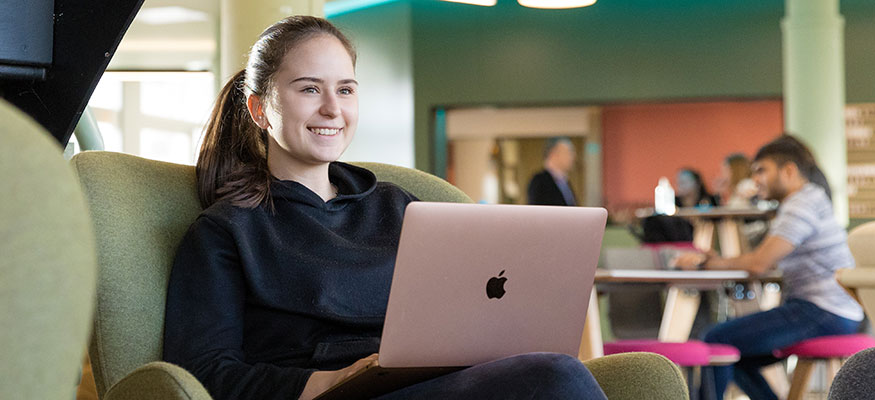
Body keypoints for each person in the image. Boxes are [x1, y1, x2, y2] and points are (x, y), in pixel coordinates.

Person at [162, 15, 605, 400]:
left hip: (432, 384)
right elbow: (203, 376)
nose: (333, 108)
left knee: (553, 369)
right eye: (310, 89)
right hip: (331, 395)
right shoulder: (225, 231)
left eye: (346, 89)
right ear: (260, 109)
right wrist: (327, 382)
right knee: (556, 377)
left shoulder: (399, 207)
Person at [674, 135, 864, 400]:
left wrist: (707, 263)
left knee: (715, 340)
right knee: (733, 354)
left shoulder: (802, 205)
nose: (756, 180)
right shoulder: (806, 201)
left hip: (822, 311)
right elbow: (760, 258)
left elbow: (758, 263)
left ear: (789, 170)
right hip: (827, 309)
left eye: (762, 170)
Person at [527, 137, 578, 206]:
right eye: (568, 153)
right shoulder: (539, 181)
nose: (572, 157)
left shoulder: (565, 182)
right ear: (553, 154)